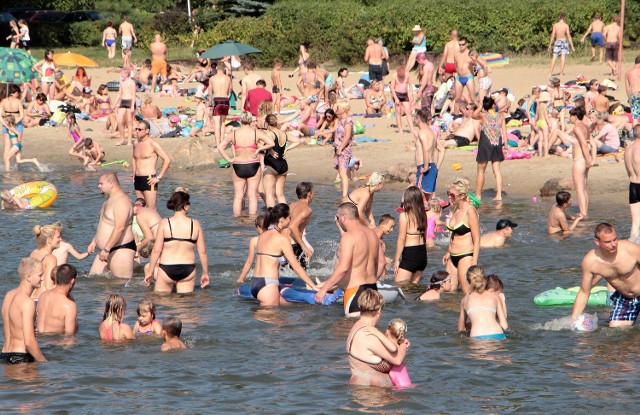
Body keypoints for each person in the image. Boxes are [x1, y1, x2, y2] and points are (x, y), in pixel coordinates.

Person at [315, 203, 384, 316]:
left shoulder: (348, 237)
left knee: (348, 331)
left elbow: (343, 268)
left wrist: (324, 289)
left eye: (337, 217)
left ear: (343, 217)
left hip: (355, 292)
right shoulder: (372, 234)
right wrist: (372, 279)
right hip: (372, 290)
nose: (337, 221)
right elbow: (382, 263)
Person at [571, 223, 640, 327]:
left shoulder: (631, 249)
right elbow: (584, 291)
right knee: (616, 331)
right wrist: (574, 319)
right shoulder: (590, 261)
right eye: (608, 242)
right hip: (625, 298)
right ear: (597, 242)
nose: (613, 244)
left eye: (615, 239)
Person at [249, 204, 319, 306]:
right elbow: (296, 266)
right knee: (273, 320)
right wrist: (313, 286)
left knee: (284, 318)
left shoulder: (262, 236)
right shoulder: (282, 239)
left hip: (255, 282)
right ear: (282, 219)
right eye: (289, 217)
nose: (291, 219)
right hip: (268, 285)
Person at [145, 191, 210, 293]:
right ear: (185, 205)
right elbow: (202, 252)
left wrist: (151, 271)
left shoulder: (165, 223)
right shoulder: (195, 224)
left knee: (161, 302)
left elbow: (157, 250)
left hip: (167, 267)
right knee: (184, 305)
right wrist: (205, 273)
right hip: (188, 268)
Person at [345, 289, 408, 387]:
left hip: (359, 391)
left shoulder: (357, 327)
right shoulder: (368, 335)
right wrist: (404, 345)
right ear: (378, 310)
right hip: (374, 394)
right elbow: (397, 360)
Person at [217, 111, 274, 216]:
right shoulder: (257, 132)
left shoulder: (233, 133)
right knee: (252, 196)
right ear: (250, 120)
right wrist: (259, 149)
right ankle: (252, 219)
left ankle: (237, 220)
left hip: (238, 164)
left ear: (240, 120)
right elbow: (271, 143)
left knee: (238, 196)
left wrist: (229, 160)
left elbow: (220, 147)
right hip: (253, 164)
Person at [88, 173, 136, 278]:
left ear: (111, 184)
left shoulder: (121, 201)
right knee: (93, 281)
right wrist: (94, 241)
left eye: (101, 183)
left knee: (120, 286)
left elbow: (120, 228)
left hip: (120, 249)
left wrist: (106, 249)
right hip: (105, 249)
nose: (99, 186)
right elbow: (104, 224)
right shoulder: (108, 201)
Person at [1, 258, 46, 364]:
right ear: (29, 277)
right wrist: (45, 363)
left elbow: (15, 327)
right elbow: (29, 342)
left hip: (4, 355)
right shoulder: (28, 302)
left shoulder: (9, 295)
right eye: (40, 275)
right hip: (21, 357)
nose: (43, 278)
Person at [443, 178, 480, 294]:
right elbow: (454, 232)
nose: (449, 197)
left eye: (452, 195)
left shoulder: (470, 211)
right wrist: (448, 251)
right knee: (449, 293)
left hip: (465, 255)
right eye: (448, 193)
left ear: (462, 195)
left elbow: (477, 239)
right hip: (452, 256)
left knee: (467, 293)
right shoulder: (455, 208)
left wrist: (474, 262)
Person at [458, 265, 508, 340]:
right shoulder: (495, 297)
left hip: (477, 337)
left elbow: (461, 329)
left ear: (468, 281)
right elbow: (504, 325)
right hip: (498, 335)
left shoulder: (465, 300)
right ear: (484, 279)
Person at [132, 120, 172, 211]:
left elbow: (167, 160)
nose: (137, 131)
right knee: (139, 207)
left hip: (149, 179)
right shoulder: (135, 143)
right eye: (136, 129)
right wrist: (134, 174)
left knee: (151, 208)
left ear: (147, 131)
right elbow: (134, 158)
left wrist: (159, 177)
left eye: (140, 129)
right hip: (138, 179)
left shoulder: (153, 144)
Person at [262, 114, 301, 207]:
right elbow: (297, 141)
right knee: (280, 194)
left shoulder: (270, 134)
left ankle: (271, 218)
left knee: (269, 194)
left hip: (271, 164)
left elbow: (266, 144)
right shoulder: (283, 133)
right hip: (283, 165)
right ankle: (285, 214)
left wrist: (270, 150)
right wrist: (287, 149)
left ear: (267, 124)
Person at [474, 96, 508, 201]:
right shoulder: (501, 116)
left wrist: (480, 106)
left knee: (481, 170)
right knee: (497, 170)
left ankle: (478, 195)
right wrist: (506, 146)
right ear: (493, 105)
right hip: (496, 143)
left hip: (485, 143)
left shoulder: (483, 115)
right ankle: (498, 195)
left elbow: (473, 115)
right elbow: (504, 132)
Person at [394, 186, 428, 284]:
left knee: (400, 286)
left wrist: (396, 259)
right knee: (414, 288)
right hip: (422, 254)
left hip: (410, 254)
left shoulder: (404, 215)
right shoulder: (423, 214)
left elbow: (401, 239)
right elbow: (425, 235)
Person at [36, 264, 77, 335]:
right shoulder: (69, 305)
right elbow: (69, 337)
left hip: (40, 341)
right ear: (72, 281)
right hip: (54, 343)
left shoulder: (43, 295)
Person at [415, 109, 445, 199]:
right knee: (428, 197)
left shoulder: (422, 132)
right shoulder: (431, 132)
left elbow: (426, 149)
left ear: (418, 120)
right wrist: (437, 167)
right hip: (431, 167)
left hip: (424, 167)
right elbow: (442, 149)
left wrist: (425, 167)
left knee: (419, 196)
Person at [568, 107, 591, 217]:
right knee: (583, 188)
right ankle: (585, 211)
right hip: (584, 159)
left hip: (580, 160)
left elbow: (584, 144)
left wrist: (587, 161)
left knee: (579, 188)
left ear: (575, 116)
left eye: (570, 116)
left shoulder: (577, 128)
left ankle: (583, 213)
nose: (569, 118)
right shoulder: (586, 126)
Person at [30, 222, 62, 299]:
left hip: (30, 298)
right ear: (49, 240)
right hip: (41, 300)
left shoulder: (34, 253)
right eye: (58, 237)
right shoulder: (51, 258)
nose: (60, 239)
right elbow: (49, 287)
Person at [287, 182, 315, 269]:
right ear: (309, 194)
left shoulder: (291, 205)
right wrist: (304, 246)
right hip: (294, 245)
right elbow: (292, 226)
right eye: (313, 192)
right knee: (300, 275)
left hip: (285, 242)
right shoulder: (307, 210)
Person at [333, 100, 355, 200]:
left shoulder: (347, 121)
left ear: (344, 110)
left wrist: (341, 148)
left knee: (343, 172)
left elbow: (347, 136)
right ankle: (344, 193)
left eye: (338, 108)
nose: (336, 109)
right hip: (338, 149)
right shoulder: (340, 120)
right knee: (341, 172)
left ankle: (344, 195)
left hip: (344, 150)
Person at [208, 63, 232, 147]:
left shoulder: (212, 78)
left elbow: (210, 93)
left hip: (217, 100)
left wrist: (210, 104)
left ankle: (218, 145)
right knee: (222, 123)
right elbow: (229, 91)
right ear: (224, 68)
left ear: (217, 68)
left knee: (217, 124)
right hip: (225, 100)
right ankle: (222, 143)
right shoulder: (228, 78)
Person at [237, 215, 265, 283]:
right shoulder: (275, 238)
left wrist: (241, 278)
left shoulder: (254, 240)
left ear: (258, 227)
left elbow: (249, 261)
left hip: (259, 276)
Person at [385, 318, 413, 388]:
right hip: (407, 385)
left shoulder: (388, 347)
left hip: (399, 388)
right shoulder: (400, 347)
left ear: (387, 331)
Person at [390, 67, 417, 136]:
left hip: (405, 94)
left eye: (402, 74)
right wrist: (396, 98)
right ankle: (400, 129)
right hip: (397, 94)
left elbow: (411, 85)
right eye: (400, 74)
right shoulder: (394, 76)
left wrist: (411, 94)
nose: (401, 76)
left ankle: (412, 129)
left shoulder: (407, 75)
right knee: (398, 112)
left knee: (408, 111)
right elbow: (392, 88)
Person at [114, 68, 137, 146]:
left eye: (122, 73)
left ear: (127, 74)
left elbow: (133, 95)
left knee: (129, 121)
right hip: (123, 101)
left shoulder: (132, 82)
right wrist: (114, 104)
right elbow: (119, 94)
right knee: (119, 121)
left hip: (130, 101)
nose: (121, 75)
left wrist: (132, 106)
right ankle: (122, 139)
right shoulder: (121, 82)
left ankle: (129, 140)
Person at [625, 125, 640, 238]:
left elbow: (628, 172)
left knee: (635, 222)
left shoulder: (628, 149)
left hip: (633, 185)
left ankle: (632, 247)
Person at [453, 38, 476, 113]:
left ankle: (477, 113)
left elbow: (477, 63)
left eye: (463, 44)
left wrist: (474, 65)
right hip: (459, 78)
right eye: (459, 45)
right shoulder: (456, 54)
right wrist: (456, 75)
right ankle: (456, 116)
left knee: (473, 98)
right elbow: (456, 66)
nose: (461, 46)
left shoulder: (470, 54)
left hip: (468, 77)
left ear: (466, 44)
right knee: (457, 99)